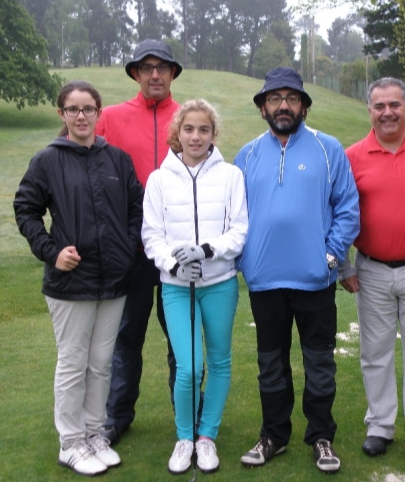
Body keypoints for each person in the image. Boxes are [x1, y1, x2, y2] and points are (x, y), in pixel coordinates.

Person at [14, 81, 144, 476]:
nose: (82, 116)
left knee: (102, 363)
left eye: (88, 108)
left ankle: (93, 435)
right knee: (74, 363)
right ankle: (70, 443)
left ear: (98, 113)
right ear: (62, 114)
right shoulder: (48, 160)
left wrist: (127, 248)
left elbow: (136, 209)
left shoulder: (117, 160)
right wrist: (53, 253)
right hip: (71, 284)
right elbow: (26, 209)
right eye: (73, 109)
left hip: (114, 282)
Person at [234, 67, 360, 474]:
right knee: (271, 363)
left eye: (291, 98)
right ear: (263, 108)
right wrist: (244, 260)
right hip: (265, 280)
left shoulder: (328, 149)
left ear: (304, 106)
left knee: (319, 362)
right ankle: (274, 435)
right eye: (275, 98)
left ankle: (321, 435)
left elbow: (347, 209)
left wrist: (331, 255)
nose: (283, 105)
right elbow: (233, 216)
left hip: (315, 280)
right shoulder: (248, 155)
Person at [339, 77, 405, 459]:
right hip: (370, 268)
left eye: (394, 105)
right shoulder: (352, 156)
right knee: (375, 351)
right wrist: (344, 266)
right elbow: (337, 213)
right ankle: (380, 425)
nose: (387, 112)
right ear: (369, 110)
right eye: (379, 106)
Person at [142, 99, 248, 474]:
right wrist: (173, 262)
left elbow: (239, 231)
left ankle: (206, 438)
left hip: (219, 284)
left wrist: (205, 251)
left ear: (213, 134)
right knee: (188, 368)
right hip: (175, 287)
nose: (196, 136)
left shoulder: (231, 176)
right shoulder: (159, 179)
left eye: (204, 129)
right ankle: (184, 437)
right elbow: (151, 235)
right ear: (177, 133)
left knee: (219, 362)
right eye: (189, 129)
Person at [94, 39, 183, 445]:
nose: (154, 75)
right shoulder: (109, 118)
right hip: (127, 245)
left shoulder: (187, 117)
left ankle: (189, 417)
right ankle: (116, 416)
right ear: (135, 74)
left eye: (162, 67)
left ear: (172, 74)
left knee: (179, 335)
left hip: (176, 247)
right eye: (146, 68)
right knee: (125, 334)